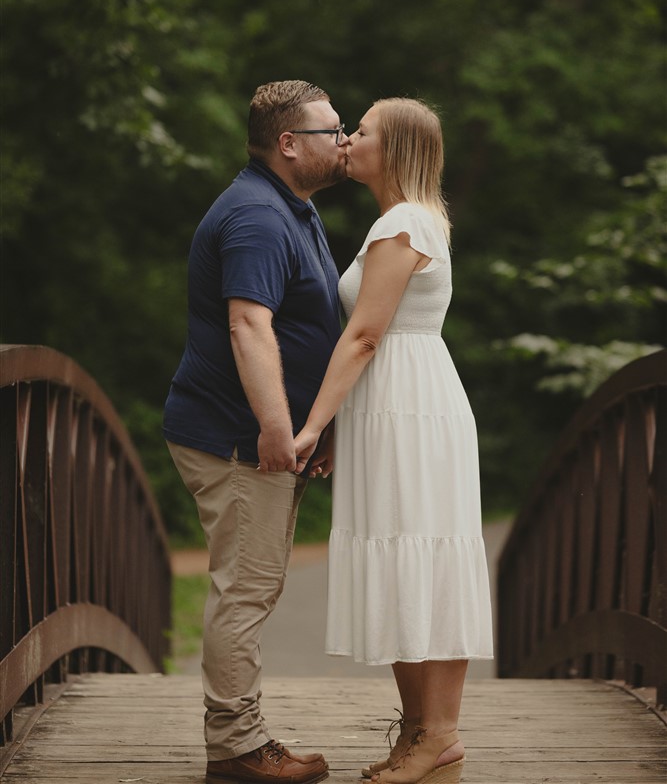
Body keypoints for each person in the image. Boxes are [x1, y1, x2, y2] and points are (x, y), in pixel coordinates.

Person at [294, 98, 493, 784]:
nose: (347, 138)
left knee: (420, 555)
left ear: (398, 149)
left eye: (364, 131)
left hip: (409, 405)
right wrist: (342, 428)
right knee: (406, 558)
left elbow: (365, 335)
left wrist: (314, 424)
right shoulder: (401, 219)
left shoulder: (405, 222)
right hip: (395, 401)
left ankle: (438, 732)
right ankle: (419, 731)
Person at [163, 80, 347, 784]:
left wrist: (313, 426)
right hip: (237, 436)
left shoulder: (290, 208)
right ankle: (238, 749)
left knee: (253, 586)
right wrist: (277, 426)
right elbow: (249, 323)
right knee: (245, 589)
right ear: (288, 143)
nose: (344, 139)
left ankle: (241, 737)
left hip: (261, 434)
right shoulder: (258, 217)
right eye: (330, 130)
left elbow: (307, 324)